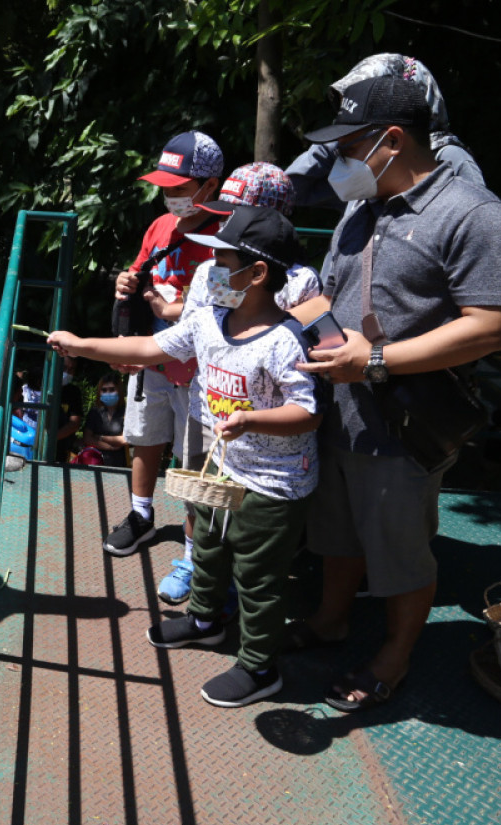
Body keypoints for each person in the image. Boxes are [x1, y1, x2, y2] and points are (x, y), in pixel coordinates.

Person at [289, 76, 501, 712]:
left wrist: (377, 361)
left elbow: (491, 325)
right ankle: (332, 618)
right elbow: (330, 297)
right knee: (334, 531)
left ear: (390, 140)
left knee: (398, 550)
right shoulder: (360, 209)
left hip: (403, 425)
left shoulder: (474, 215)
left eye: (346, 146)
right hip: (336, 412)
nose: (337, 161)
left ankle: (395, 655)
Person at [48, 204, 322, 708]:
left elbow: (308, 412)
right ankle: (204, 620)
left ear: (257, 273)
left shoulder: (285, 342)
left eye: (224, 262)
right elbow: (152, 347)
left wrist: (251, 420)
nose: (211, 271)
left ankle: (260, 667)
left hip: (274, 481)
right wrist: (81, 345)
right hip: (225, 466)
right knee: (211, 548)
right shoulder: (209, 321)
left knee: (258, 576)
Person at [156, 161, 322, 605]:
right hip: (208, 403)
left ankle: (231, 580)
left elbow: (297, 352)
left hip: (261, 430)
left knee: (249, 513)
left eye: (234, 212)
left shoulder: (299, 282)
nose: (222, 221)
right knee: (200, 489)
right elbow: (195, 326)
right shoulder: (217, 266)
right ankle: (198, 562)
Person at [104, 130, 224, 565]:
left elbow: (226, 305)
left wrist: (173, 310)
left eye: (178, 188)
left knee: (194, 456)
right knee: (144, 436)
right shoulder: (160, 226)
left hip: (199, 372)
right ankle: (141, 515)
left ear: (210, 186)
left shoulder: (226, 236)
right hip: (151, 359)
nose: (168, 195)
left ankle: (196, 548)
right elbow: (139, 273)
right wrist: (126, 282)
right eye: (164, 187)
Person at [287, 53, 484, 214]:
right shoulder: (365, 166)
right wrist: (342, 143)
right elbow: (291, 188)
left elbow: (476, 222)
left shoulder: (449, 158)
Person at [81, 372, 128, 467]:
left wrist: (99, 437)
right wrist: (110, 447)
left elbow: (125, 439)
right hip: (95, 463)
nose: (108, 393)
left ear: (119, 390)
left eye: (112, 390)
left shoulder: (127, 412)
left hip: (120, 464)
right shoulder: (95, 412)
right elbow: (87, 438)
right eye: (104, 390)